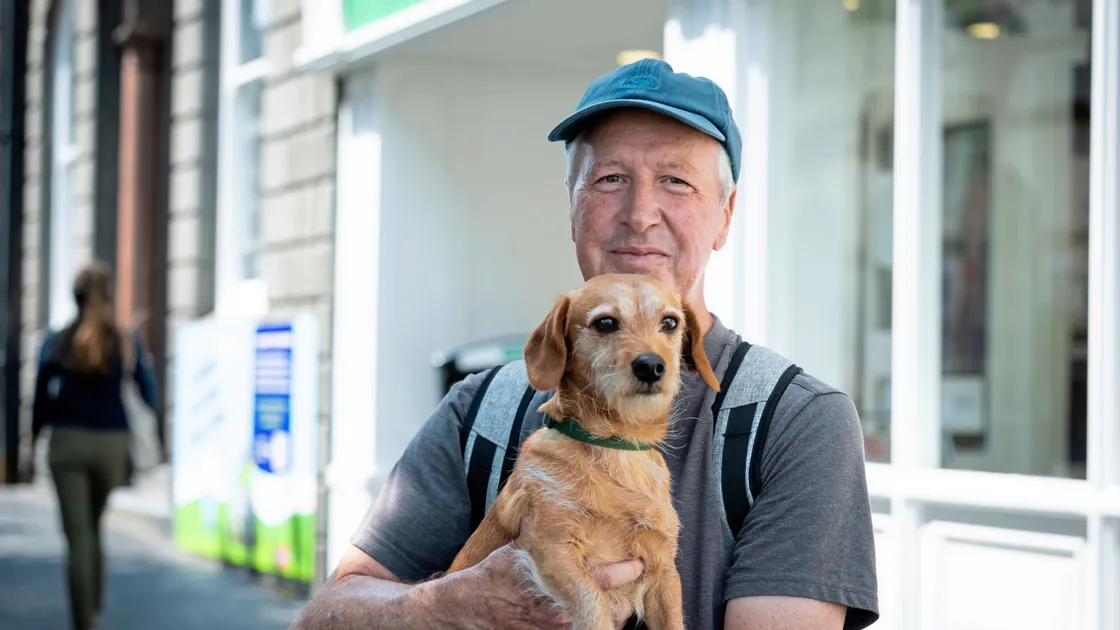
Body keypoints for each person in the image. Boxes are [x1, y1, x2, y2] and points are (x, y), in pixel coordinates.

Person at [292, 59, 878, 630]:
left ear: (725, 216)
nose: (640, 214)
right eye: (609, 180)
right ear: (572, 205)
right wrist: (451, 607)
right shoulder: (481, 413)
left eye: (675, 181)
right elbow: (327, 616)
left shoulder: (795, 422)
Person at [21, 260, 159, 630]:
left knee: (78, 536)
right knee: (94, 529)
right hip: (111, 445)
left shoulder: (57, 340)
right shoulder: (124, 339)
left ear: (75, 297)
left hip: (68, 445)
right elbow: (148, 392)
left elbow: (40, 400)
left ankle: (86, 621)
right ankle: (93, 611)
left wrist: (32, 444)